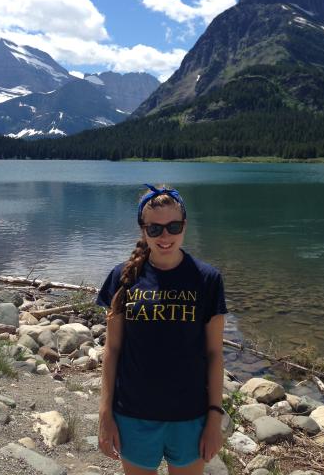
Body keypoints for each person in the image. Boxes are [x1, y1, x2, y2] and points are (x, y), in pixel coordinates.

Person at [96, 184, 227, 475]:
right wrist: (106, 413)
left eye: (173, 227)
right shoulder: (123, 277)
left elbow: (215, 354)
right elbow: (112, 350)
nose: (165, 236)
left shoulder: (207, 279)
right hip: (133, 415)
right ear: (143, 230)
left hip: (190, 417)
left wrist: (214, 418)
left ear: (185, 226)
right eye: (154, 229)